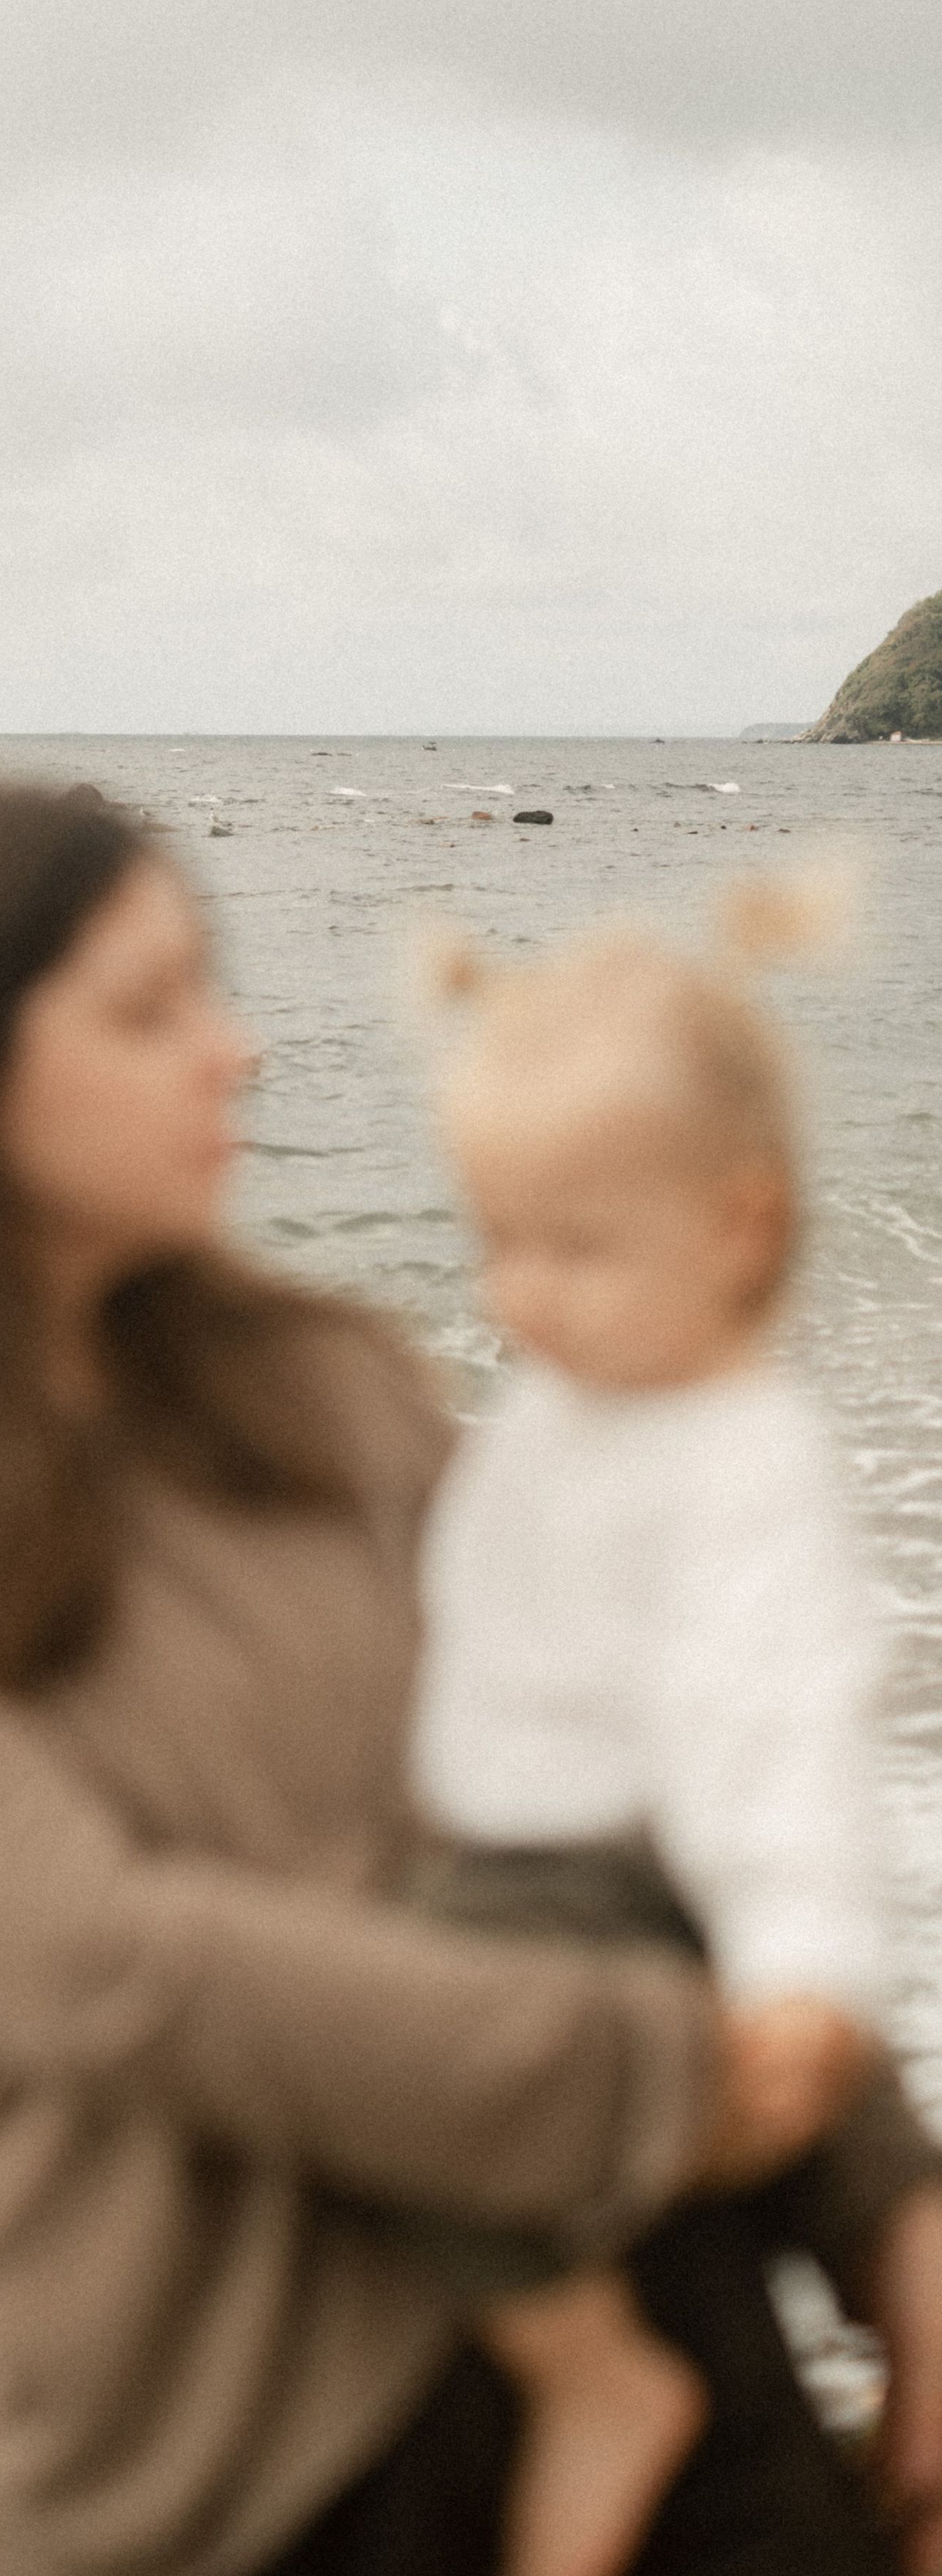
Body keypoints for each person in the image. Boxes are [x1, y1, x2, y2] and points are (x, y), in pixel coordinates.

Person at [0, 783, 942, 2576]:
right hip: (235, 2448)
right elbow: (99, 1962)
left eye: (210, 993)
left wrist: (883, 2204)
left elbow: (637, 1775)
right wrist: (653, 2075)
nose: (231, 1052)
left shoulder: (323, 1388)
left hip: (628, 2305)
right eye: (148, 1011)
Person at [397, 891, 893, 2576]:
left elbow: (779, 1729)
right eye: (494, 1240)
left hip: (600, 1888)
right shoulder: (576, 1403)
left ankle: (589, 2371)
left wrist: (795, 1971)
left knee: (400, 2037)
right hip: (526, 1858)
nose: (518, 1293)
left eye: (574, 1247)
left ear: (738, 1230)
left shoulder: (737, 1461)